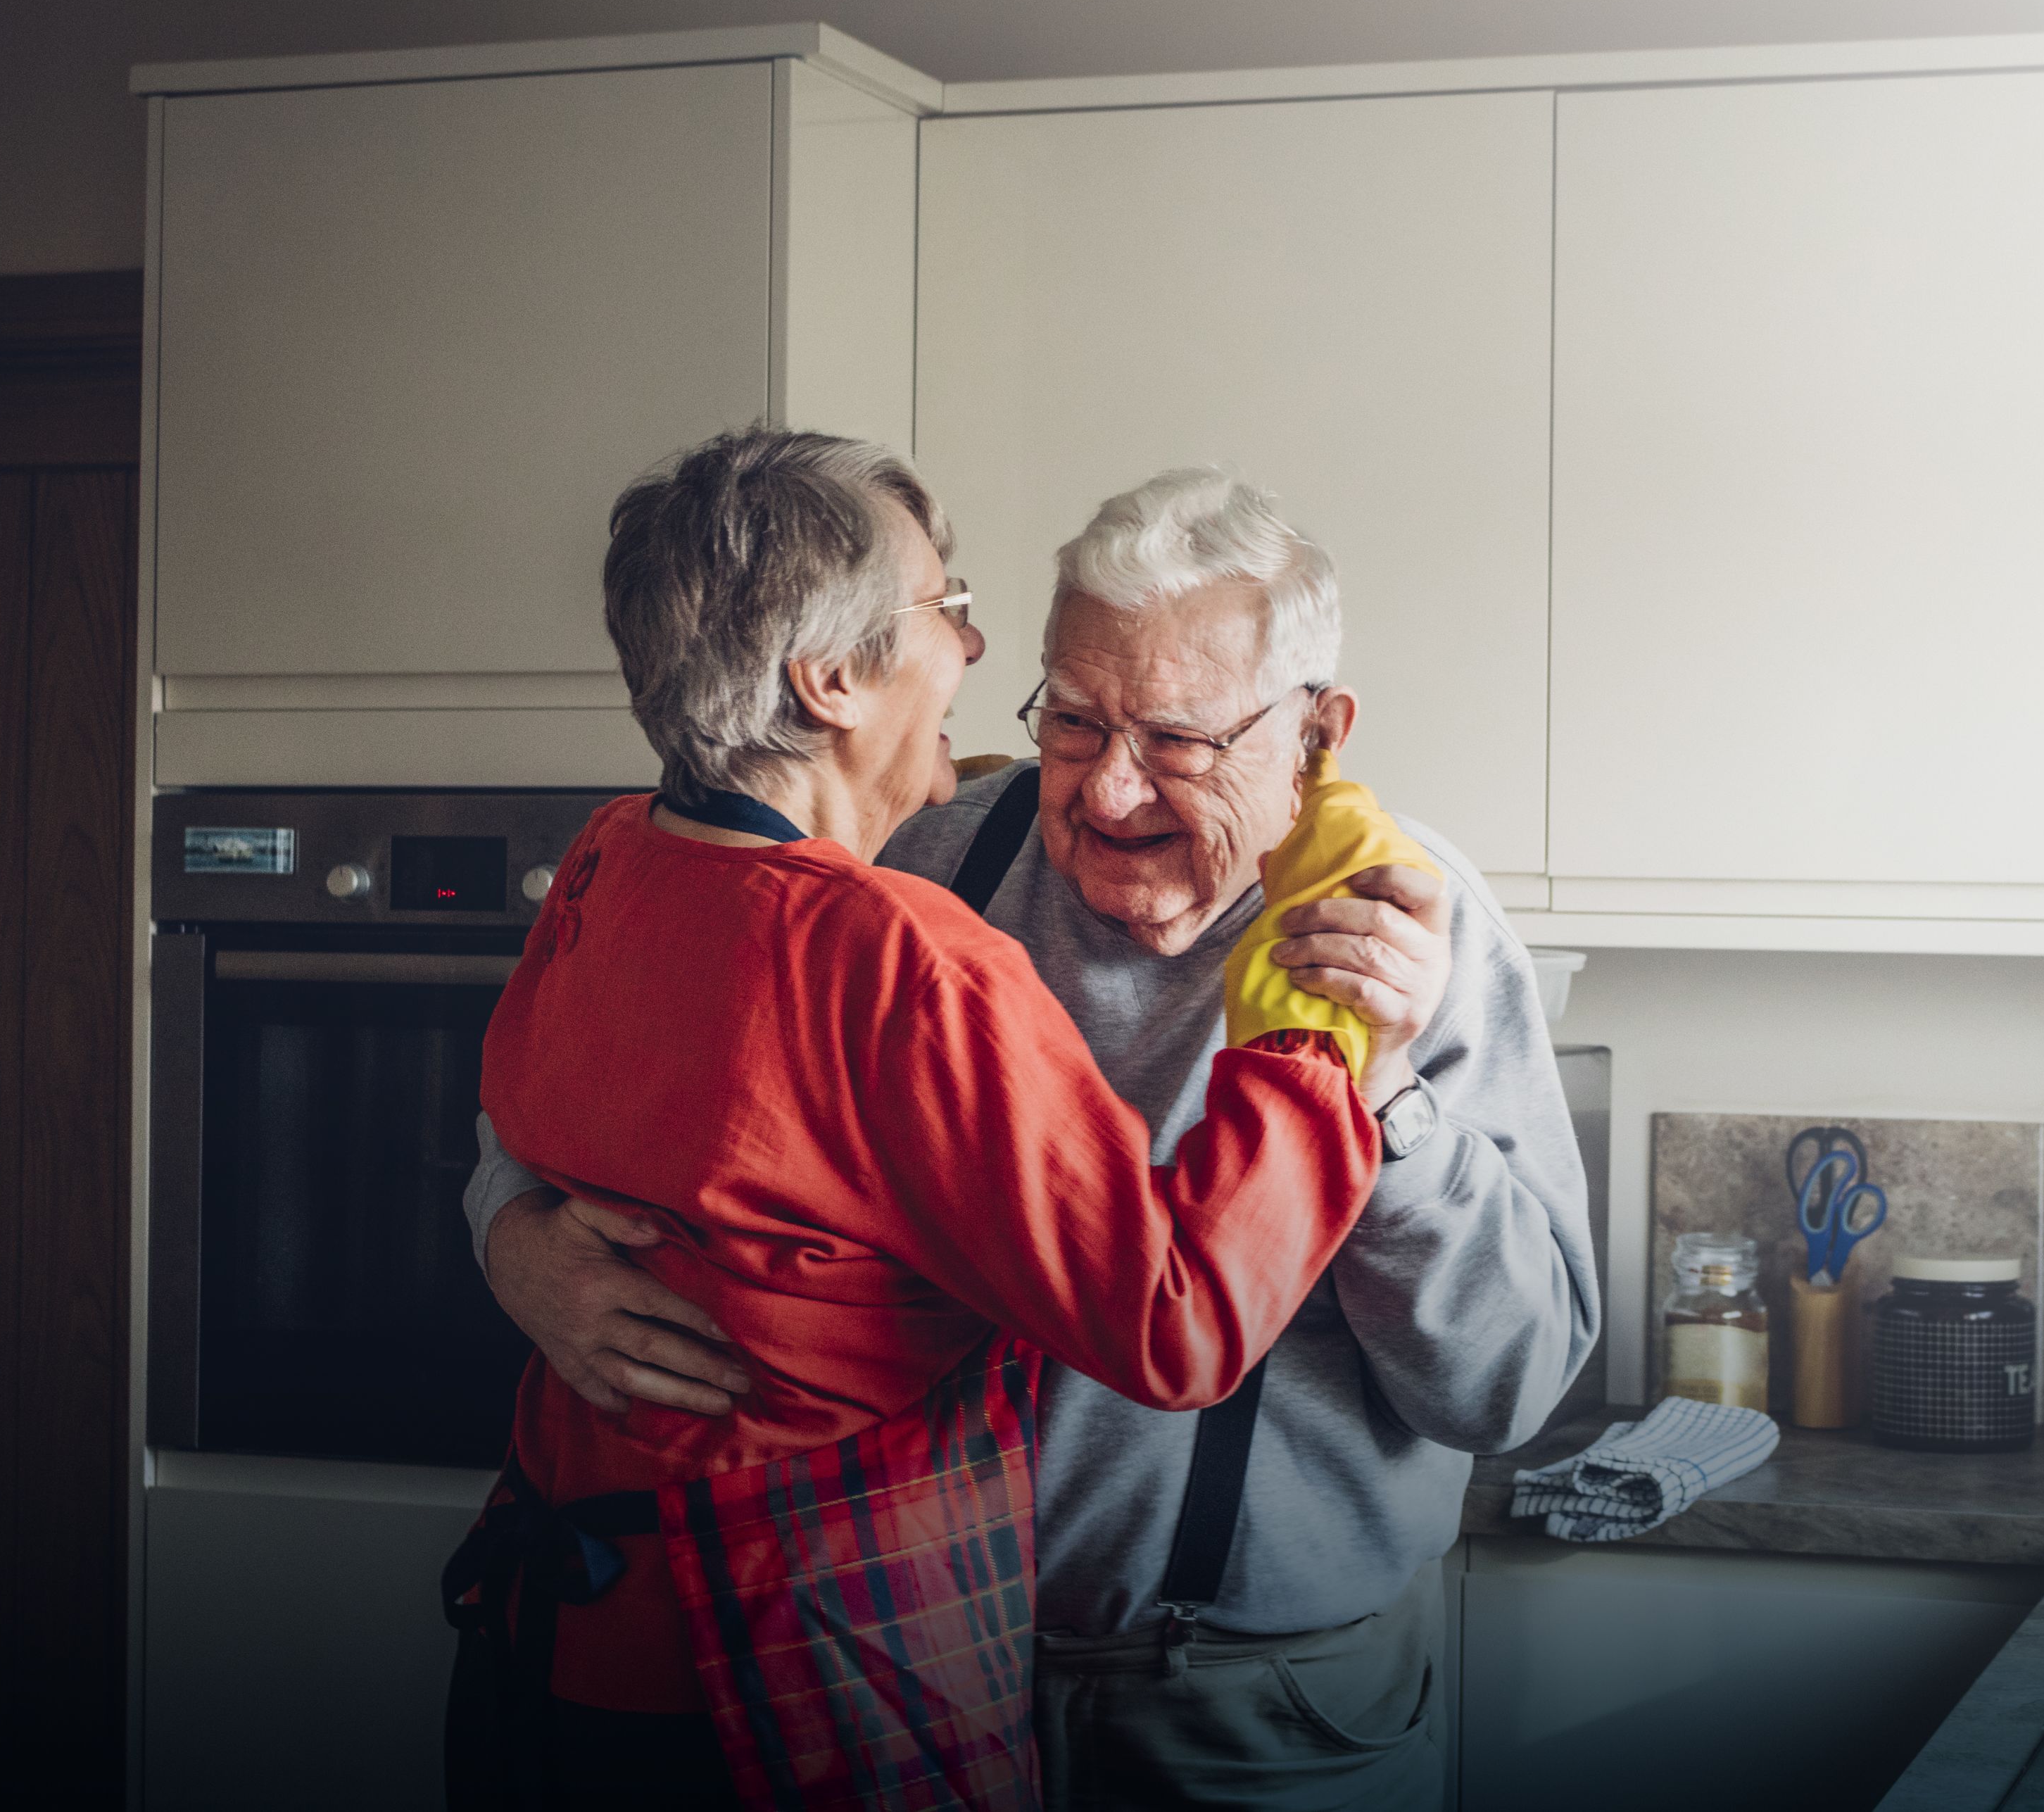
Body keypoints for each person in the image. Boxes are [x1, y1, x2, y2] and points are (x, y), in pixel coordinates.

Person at [472, 468, 1597, 1809]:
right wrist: (512, 1233)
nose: (1111, 790)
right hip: (895, 1663)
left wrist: (1387, 1094)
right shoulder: (918, 861)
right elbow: (608, 1070)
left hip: (1254, 1710)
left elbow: (1504, 1393)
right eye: (1072, 721)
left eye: (1176, 739)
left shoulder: (1413, 935)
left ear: (1316, 731)